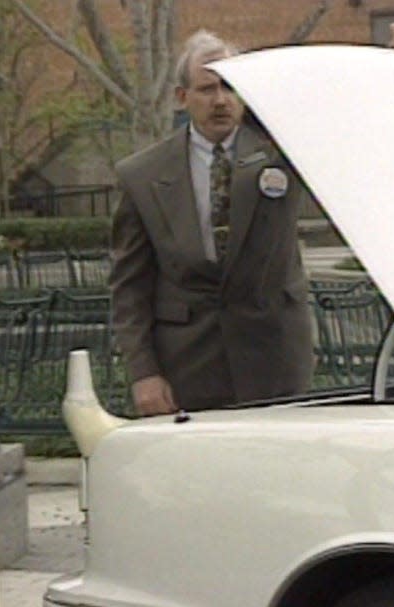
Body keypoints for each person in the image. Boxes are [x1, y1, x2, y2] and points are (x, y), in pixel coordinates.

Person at [110, 30, 314, 416]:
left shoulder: (282, 152)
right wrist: (143, 373)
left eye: (229, 87)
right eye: (206, 89)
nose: (220, 100)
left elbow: (344, 116)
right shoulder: (143, 176)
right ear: (181, 97)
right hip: (189, 366)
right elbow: (130, 288)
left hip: (275, 361)